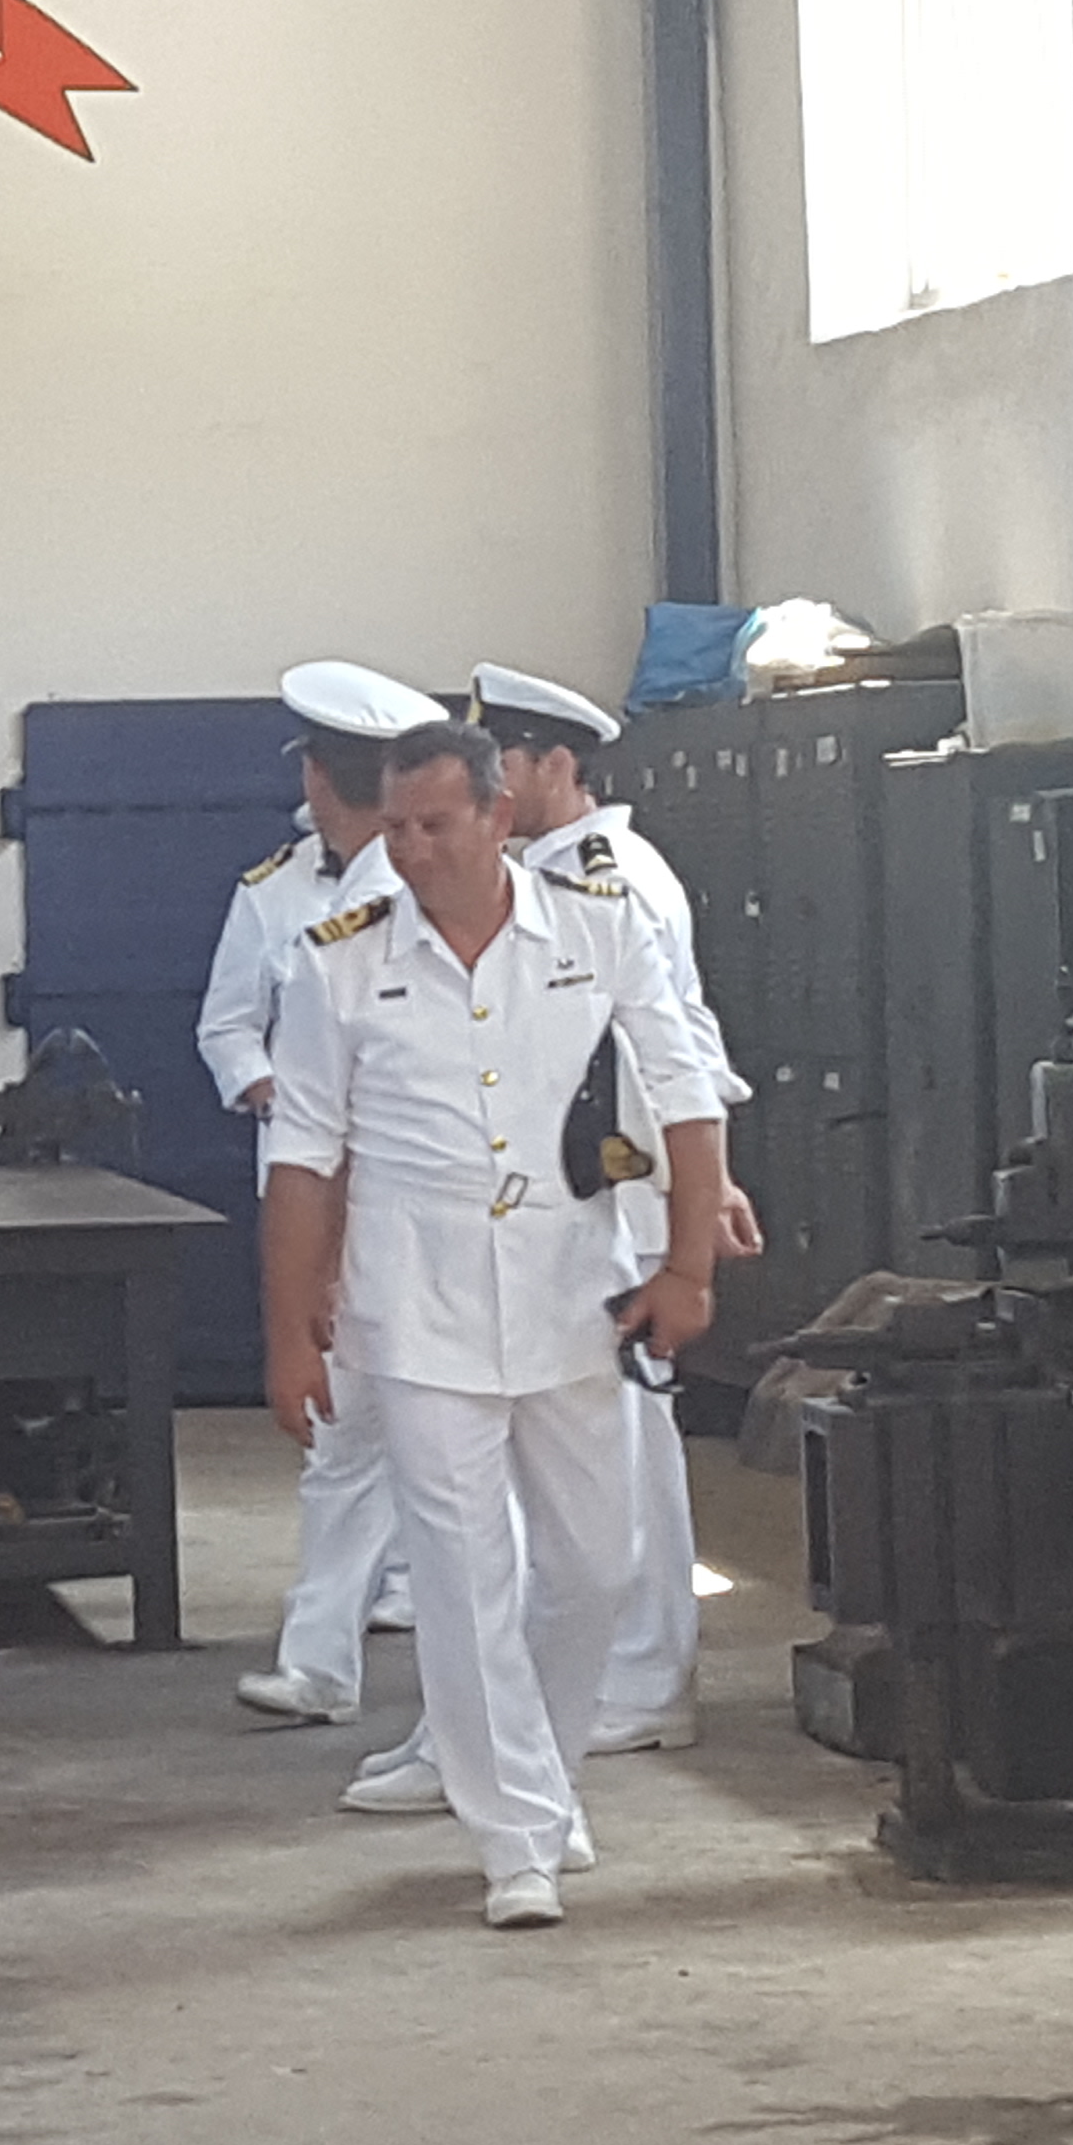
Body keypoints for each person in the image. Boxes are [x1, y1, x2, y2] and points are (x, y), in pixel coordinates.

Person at [258, 720, 728, 1928]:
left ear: (495, 817)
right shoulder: (338, 961)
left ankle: (543, 1777)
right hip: (414, 1311)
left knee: (594, 1566)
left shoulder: (594, 925)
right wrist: (289, 1333)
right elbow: (302, 1159)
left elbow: (684, 1094)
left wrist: (686, 1268)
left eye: (434, 825)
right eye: (396, 829)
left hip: (574, 1294)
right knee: (463, 1578)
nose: (410, 850)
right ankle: (515, 1836)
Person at [477, 661, 756, 1760]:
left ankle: (644, 1678)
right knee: (587, 1448)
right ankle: (596, 1669)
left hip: (626, 1194)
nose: (489, 788)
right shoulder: (544, 871)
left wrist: (701, 1189)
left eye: (500, 764)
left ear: (555, 764)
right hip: (592, 1190)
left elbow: (669, 1044)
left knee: (629, 1446)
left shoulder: (607, 876)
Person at [202, 660, 445, 1728]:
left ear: (315, 773)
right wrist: (265, 1086)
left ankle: (388, 1654)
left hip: (401, 1209)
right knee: (346, 1439)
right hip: (320, 1190)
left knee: (431, 1449)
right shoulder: (279, 889)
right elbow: (230, 1024)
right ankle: (321, 1662)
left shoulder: (411, 895)